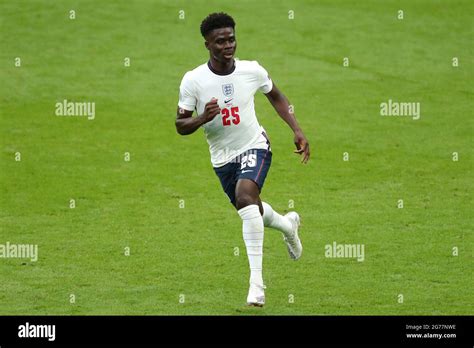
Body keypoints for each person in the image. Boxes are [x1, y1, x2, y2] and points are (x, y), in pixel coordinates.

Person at [175, 12, 310, 307]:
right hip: (222, 159)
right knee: (251, 209)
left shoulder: (252, 70)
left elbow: (276, 96)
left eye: (231, 39)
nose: (228, 45)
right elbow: (180, 125)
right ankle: (288, 226)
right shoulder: (193, 80)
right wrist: (202, 118)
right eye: (220, 41)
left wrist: (297, 130)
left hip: (254, 146)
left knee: (246, 197)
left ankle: (257, 285)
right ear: (207, 44)